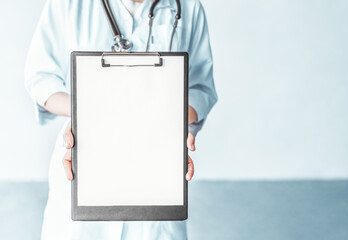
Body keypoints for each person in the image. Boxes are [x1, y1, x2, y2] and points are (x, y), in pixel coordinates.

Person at [24, 0, 217, 239]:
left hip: (157, 169)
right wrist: (90, 114)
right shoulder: (68, 4)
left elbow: (201, 90)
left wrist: (169, 120)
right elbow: (40, 80)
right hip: (86, 158)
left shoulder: (188, 7)